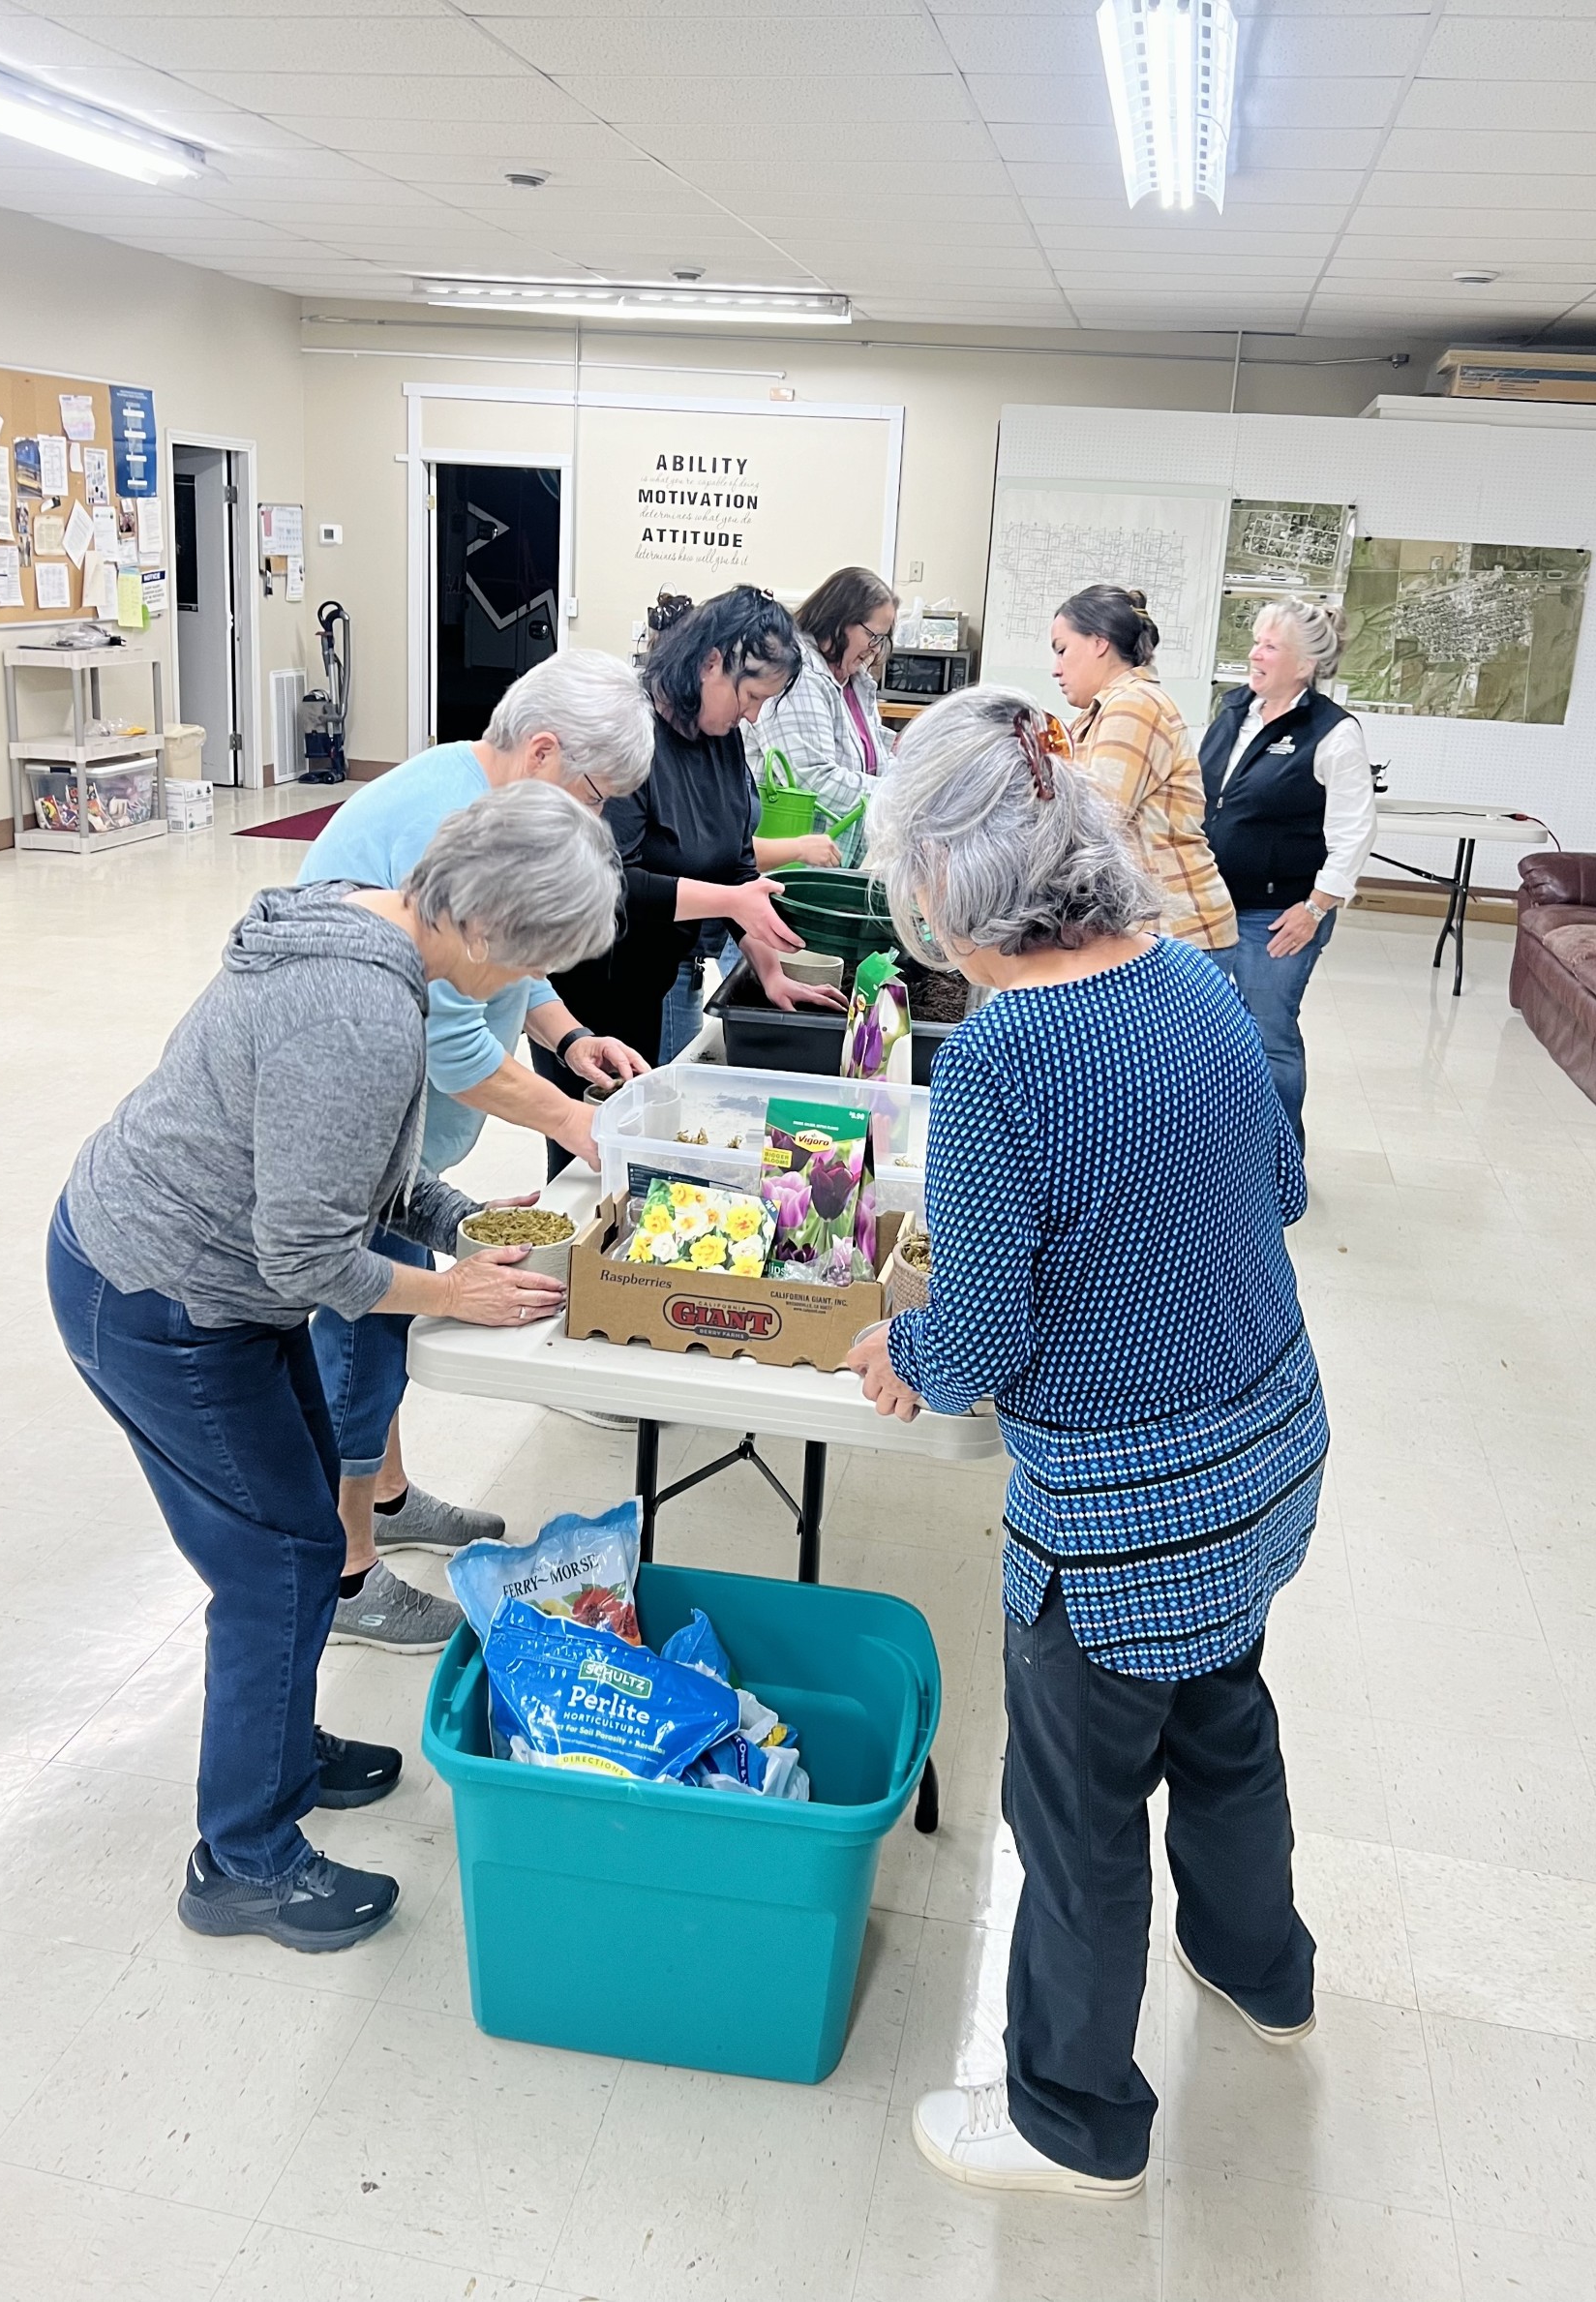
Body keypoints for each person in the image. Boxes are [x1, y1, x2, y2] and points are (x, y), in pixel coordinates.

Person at [844, 687, 1328, 2196]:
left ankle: (1072, 2118)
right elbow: (1284, 1191)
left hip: (1123, 1516)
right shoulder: (1192, 981)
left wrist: (898, 1348)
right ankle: (1268, 1975)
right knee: (1226, 1723)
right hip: (1268, 1445)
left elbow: (977, 1348)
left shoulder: (1003, 1060)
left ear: (940, 884)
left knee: (1074, 1810)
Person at [46, 786, 624, 1952]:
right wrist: (451, 1290)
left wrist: (461, 1220)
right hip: (164, 1297)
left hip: (198, 1280)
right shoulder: (354, 1007)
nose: (529, 988)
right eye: (536, 960)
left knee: (306, 1527)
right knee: (284, 1562)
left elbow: (346, 1168)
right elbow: (304, 1248)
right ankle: (245, 1860)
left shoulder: (370, 922)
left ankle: (279, 1744)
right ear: (485, 927)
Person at [295, 651, 655, 1649]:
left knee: (384, 1327)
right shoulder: (439, 823)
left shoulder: (493, 799)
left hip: (401, 1152)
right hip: (356, 1135)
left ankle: (390, 1493)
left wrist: (569, 1036)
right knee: (362, 1337)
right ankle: (350, 1570)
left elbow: (511, 969)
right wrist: (567, 1118)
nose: (602, 820)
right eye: (601, 796)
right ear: (544, 751)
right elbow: (453, 1043)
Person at [537, 586, 845, 1175]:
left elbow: (735, 863)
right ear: (712, 663)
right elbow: (612, 885)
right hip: (588, 984)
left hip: (646, 978)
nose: (752, 715)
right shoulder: (632, 734)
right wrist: (732, 900)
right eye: (751, 696)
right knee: (589, 1163)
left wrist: (767, 965)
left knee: (634, 1149)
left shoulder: (721, 740)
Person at [1198, 599, 1376, 1145]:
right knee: (1203, 1034)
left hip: (1279, 915)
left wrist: (1314, 909)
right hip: (1211, 903)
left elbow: (1354, 834)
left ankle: (1278, 1164)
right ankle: (1220, 1153)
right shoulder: (1233, 711)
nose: (1255, 653)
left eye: (1270, 646)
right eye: (1256, 641)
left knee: (1268, 1034)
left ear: (1303, 666)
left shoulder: (1333, 733)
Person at [1050, 584, 1237, 973]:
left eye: (1062, 649)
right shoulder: (1103, 710)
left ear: (1099, 642)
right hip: (1153, 928)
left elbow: (1096, 819)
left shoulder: (1133, 705)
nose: (1056, 668)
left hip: (1176, 931)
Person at [745, 564, 899, 867]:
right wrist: (901, 796)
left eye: (883, 639)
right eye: (872, 636)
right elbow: (811, 778)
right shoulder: (797, 674)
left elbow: (875, 761)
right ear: (840, 621)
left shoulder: (853, 681)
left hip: (835, 860)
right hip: (791, 868)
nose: (875, 649)